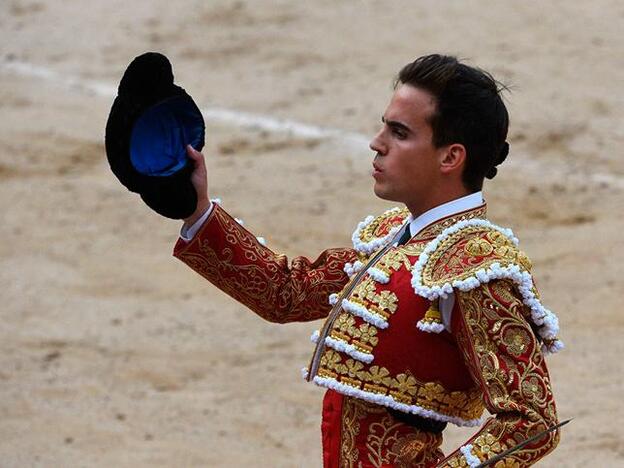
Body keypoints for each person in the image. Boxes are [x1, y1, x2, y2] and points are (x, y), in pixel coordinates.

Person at [172, 54, 562, 467]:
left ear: (450, 158)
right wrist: (196, 211)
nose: (377, 142)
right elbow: (287, 293)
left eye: (399, 132)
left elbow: (532, 420)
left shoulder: (475, 268)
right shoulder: (392, 236)